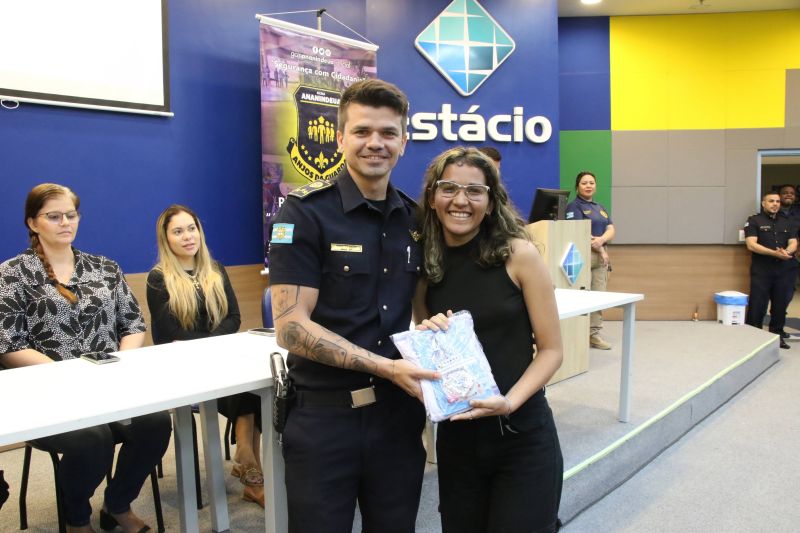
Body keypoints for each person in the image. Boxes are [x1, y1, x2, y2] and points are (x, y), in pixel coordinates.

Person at [268, 79, 439, 533]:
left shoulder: (416, 219)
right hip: (325, 418)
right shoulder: (304, 213)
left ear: (404, 141)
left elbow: (424, 309)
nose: (375, 144)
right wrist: (386, 368)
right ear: (340, 138)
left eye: (387, 133)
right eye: (362, 131)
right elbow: (290, 328)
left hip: (398, 416)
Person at [0, 183, 172, 533]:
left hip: (109, 384)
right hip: (48, 392)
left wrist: (122, 363)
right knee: (93, 439)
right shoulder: (12, 275)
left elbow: (133, 323)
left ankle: (117, 503)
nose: (65, 222)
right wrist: (70, 374)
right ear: (33, 223)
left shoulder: (104, 268)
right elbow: (8, 344)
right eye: (53, 216)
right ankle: (76, 516)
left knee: (155, 423)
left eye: (71, 215)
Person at [416, 146, 564, 533]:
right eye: (449, 188)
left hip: (522, 435)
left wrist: (510, 402)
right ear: (432, 198)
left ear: (490, 200)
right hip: (458, 440)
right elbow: (428, 347)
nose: (461, 201)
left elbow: (551, 351)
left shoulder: (519, 255)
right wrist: (427, 335)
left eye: (474, 191)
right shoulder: (424, 266)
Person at [145, 205, 264, 507]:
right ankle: (249, 465)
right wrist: (213, 347)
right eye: (178, 231)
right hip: (182, 366)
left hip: (220, 359)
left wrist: (214, 348)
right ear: (166, 238)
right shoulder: (158, 278)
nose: (187, 236)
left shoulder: (216, 269)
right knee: (241, 387)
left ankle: (248, 462)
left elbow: (234, 317)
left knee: (258, 385)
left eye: (192, 228)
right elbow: (172, 332)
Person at [565, 171, 615, 350]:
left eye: (591, 183)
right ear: (577, 186)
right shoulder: (573, 207)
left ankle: (593, 334)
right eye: (584, 183)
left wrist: (602, 241)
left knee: (599, 295)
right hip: (583, 254)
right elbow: (578, 232)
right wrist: (600, 247)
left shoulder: (600, 207)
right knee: (580, 295)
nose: (588, 186)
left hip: (601, 255)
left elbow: (610, 228)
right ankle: (575, 333)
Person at [744, 192, 798, 349]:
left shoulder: (788, 222)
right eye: (771, 201)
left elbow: (793, 242)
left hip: (784, 270)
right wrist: (774, 253)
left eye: (777, 202)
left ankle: (777, 335)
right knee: (758, 303)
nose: (775, 204)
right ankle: (753, 336)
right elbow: (751, 244)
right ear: (763, 203)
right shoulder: (754, 220)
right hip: (762, 269)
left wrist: (786, 252)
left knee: (780, 305)